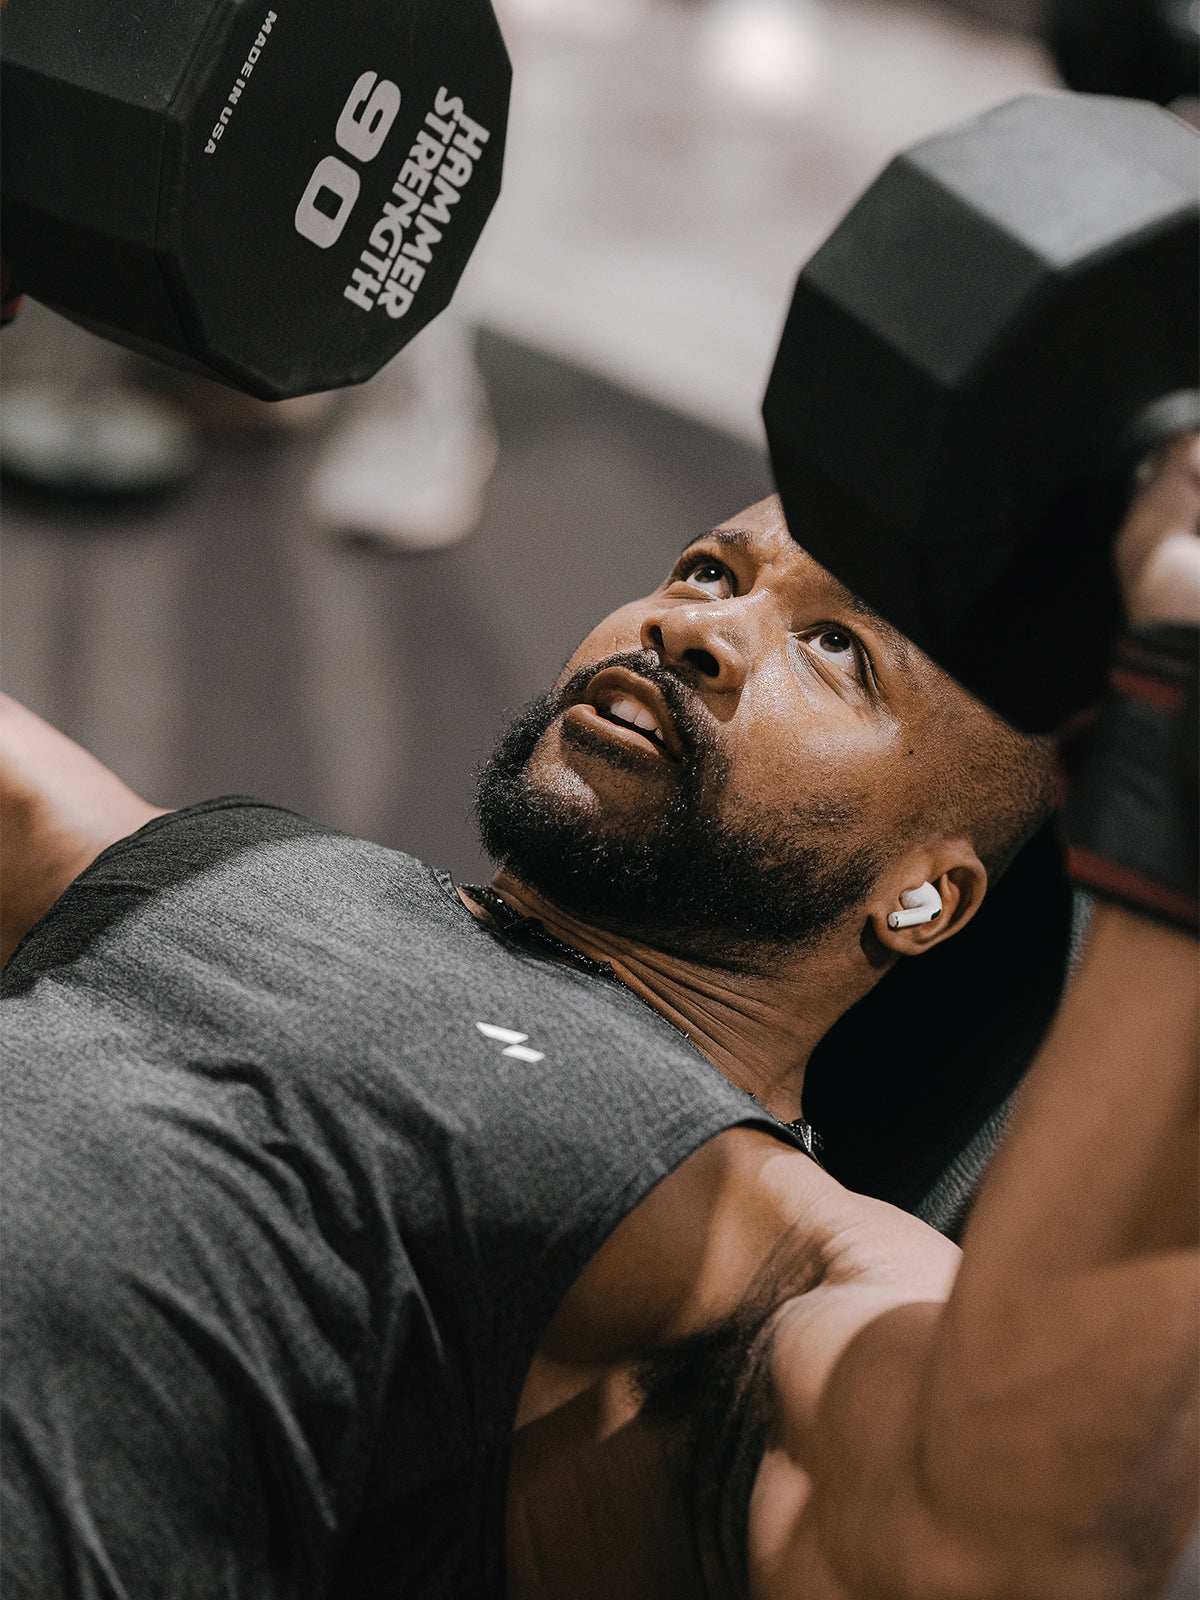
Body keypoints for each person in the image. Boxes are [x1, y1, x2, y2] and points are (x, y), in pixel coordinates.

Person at [1, 439, 1196, 1599]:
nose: (698, 627)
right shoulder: (228, 859)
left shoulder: (762, 1247)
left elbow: (996, 1537)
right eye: (711, 571)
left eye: (836, 649)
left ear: (926, 896)